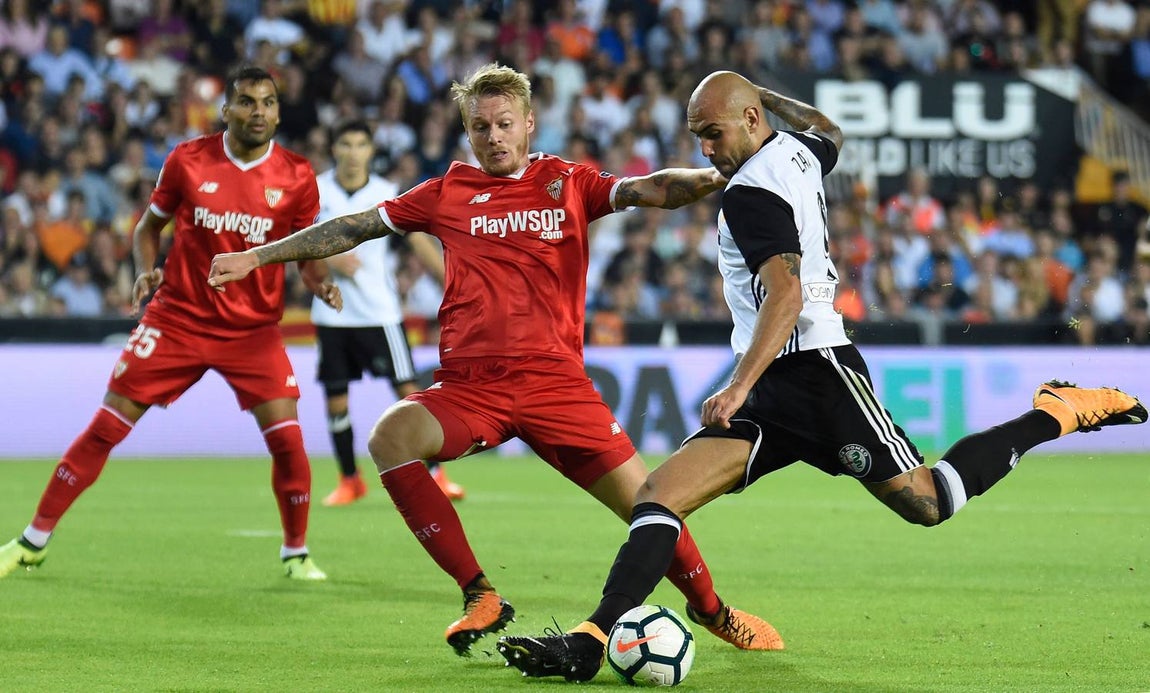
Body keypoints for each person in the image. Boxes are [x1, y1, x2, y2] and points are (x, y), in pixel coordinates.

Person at [495, 70, 1148, 682]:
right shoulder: (798, 151)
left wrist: (738, 386)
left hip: (817, 374)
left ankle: (1057, 410)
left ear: (749, 120)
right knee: (657, 495)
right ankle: (589, 638)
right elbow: (830, 130)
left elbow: (785, 298)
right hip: (777, 380)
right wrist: (765, 98)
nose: (706, 147)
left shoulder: (750, 194)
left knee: (927, 500)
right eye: (698, 136)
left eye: (714, 132)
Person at [207, 63, 783, 657]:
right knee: (391, 437)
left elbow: (651, 188)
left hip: (556, 386)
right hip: (470, 388)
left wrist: (720, 174)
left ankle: (715, 612)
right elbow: (354, 227)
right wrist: (259, 257)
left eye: (505, 124)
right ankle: (480, 593)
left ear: (529, 124)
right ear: (467, 131)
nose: (494, 137)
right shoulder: (445, 192)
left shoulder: (567, 182)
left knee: (650, 502)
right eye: (480, 127)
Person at [0, 65, 339, 582]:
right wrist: (144, 270)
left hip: (252, 333)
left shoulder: (296, 175)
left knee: (289, 441)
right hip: (178, 318)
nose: (259, 112)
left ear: (278, 111)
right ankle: (32, 541)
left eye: (269, 102)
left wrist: (319, 282)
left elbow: (307, 247)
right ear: (225, 110)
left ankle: (296, 553)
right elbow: (148, 226)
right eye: (247, 101)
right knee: (105, 427)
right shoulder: (188, 159)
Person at [312, 119, 464, 506]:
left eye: (361, 144)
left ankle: (436, 473)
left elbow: (416, 241)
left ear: (370, 151)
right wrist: (328, 261)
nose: (352, 152)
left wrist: (454, 283)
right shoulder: (316, 190)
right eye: (345, 143)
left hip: (379, 313)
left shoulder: (385, 192)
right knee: (335, 400)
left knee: (408, 393)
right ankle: (349, 479)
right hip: (332, 315)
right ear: (335, 149)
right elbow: (295, 244)